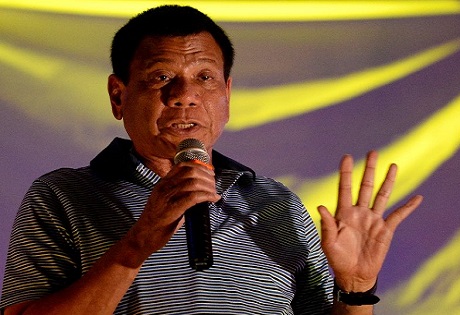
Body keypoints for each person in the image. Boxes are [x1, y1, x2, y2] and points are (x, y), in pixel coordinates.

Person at [0, 5, 422, 315]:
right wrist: (135, 246)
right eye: (161, 77)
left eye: (204, 77)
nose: (185, 95)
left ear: (227, 94)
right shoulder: (63, 196)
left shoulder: (278, 204)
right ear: (118, 94)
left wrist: (354, 290)